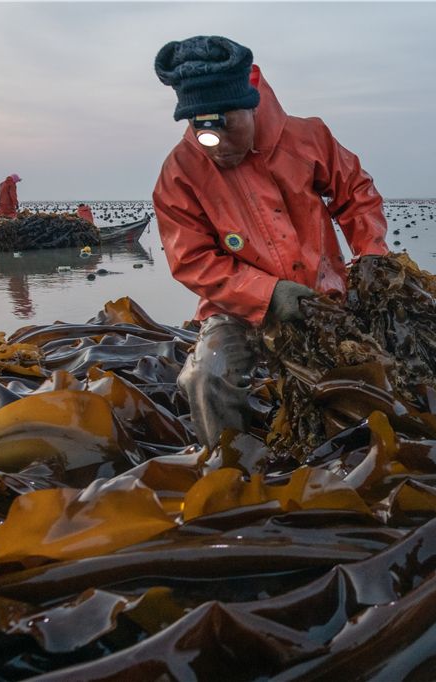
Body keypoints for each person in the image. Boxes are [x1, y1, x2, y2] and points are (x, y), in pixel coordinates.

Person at [153, 35, 389, 451]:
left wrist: (371, 254)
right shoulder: (180, 172)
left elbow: (355, 192)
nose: (219, 146)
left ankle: (352, 461)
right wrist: (267, 293)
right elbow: (191, 259)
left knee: (374, 376)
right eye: (203, 132)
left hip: (323, 297)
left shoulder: (308, 137)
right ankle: (230, 471)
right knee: (206, 376)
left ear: (250, 105)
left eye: (229, 126)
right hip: (236, 308)